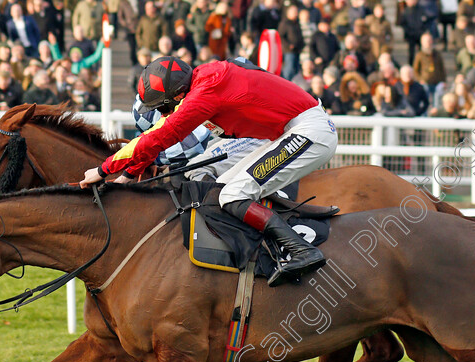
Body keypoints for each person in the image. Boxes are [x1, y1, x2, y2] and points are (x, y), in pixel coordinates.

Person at [80, 57, 337, 286]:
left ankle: (301, 250)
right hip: (282, 131)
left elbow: (160, 135)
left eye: (162, 107)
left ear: (178, 97)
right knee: (219, 191)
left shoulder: (203, 94)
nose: (163, 114)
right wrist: (128, 173)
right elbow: (158, 136)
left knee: (233, 195)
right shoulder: (201, 80)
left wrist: (104, 170)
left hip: (308, 131)